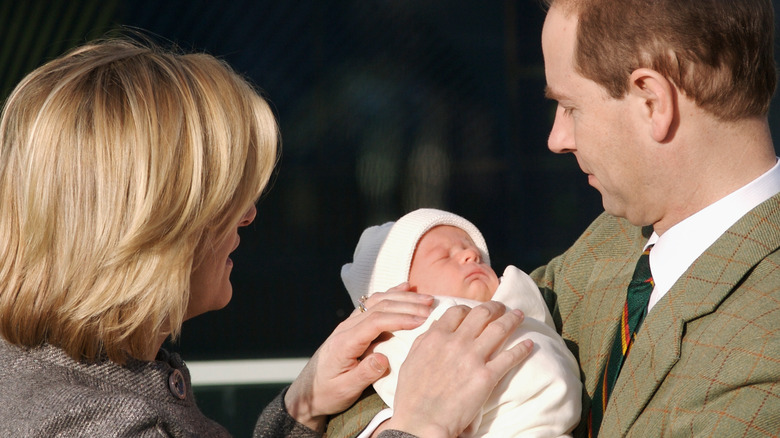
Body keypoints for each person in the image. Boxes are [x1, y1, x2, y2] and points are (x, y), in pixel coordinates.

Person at [0, 38, 535, 437]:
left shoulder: (95, 374)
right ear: (150, 225)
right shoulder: (81, 425)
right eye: (225, 195)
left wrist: (299, 408)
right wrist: (423, 424)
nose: (251, 215)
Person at [327, 0, 780, 436]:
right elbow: (367, 395)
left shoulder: (764, 340)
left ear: (652, 101)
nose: (557, 139)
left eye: (570, 106)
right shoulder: (615, 240)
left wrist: (419, 426)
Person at [339, 208, 581, 437]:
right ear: (400, 295)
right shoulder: (399, 340)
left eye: (474, 252)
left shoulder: (528, 298)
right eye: (443, 256)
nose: (471, 255)